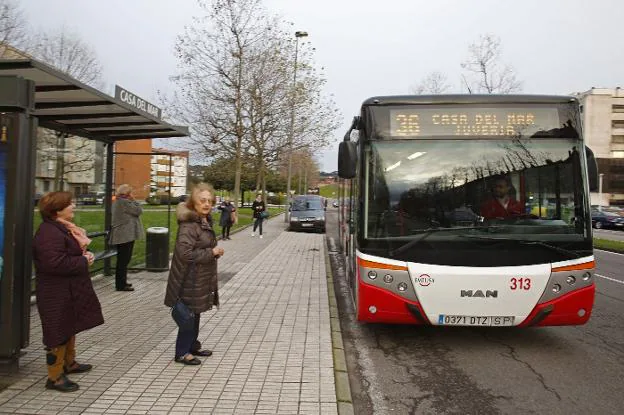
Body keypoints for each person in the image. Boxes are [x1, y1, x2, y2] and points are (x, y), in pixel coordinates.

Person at [32, 192, 104, 392]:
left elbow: (64, 255)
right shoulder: (49, 233)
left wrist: (83, 256)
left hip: (67, 290)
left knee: (68, 326)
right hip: (56, 292)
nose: (73, 206)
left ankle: (69, 363)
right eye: (69, 204)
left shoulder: (61, 229)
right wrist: (83, 261)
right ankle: (54, 377)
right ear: (57, 211)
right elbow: (53, 263)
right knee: (57, 332)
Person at [164, 183, 224, 365]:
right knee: (188, 316)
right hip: (188, 277)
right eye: (202, 200)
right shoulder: (189, 224)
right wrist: (211, 253)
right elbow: (184, 254)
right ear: (193, 202)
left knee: (196, 312)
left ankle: (192, 345)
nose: (207, 204)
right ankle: (181, 352)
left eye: (209, 201)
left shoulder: (203, 220)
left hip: (199, 276)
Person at [109, 184, 144, 292]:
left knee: (123, 260)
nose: (132, 194)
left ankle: (122, 282)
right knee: (123, 260)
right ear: (127, 194)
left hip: (124, 235)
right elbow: (139, 211)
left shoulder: (119, 201)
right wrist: (134, 200)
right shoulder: (124, 202)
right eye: (131, 192)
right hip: (125, 235)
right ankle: (120, 285)